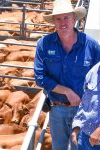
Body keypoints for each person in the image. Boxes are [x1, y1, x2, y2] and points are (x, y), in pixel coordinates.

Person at [34, 0, 100, 150]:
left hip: (85, 112)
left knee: (81, 146)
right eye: (58, 18)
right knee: (59, 147)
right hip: (57, 109)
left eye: (66, 18)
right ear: (54, 22)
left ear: (74, 19)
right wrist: (66, 91)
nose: (63, 22)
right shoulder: (44, 44)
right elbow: (39, 76)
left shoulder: (92, 45)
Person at [72, 62, 100, 150]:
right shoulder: (93, 72)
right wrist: (77, 126)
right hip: (84, 136)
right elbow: (84, 102)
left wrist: (99, 131)